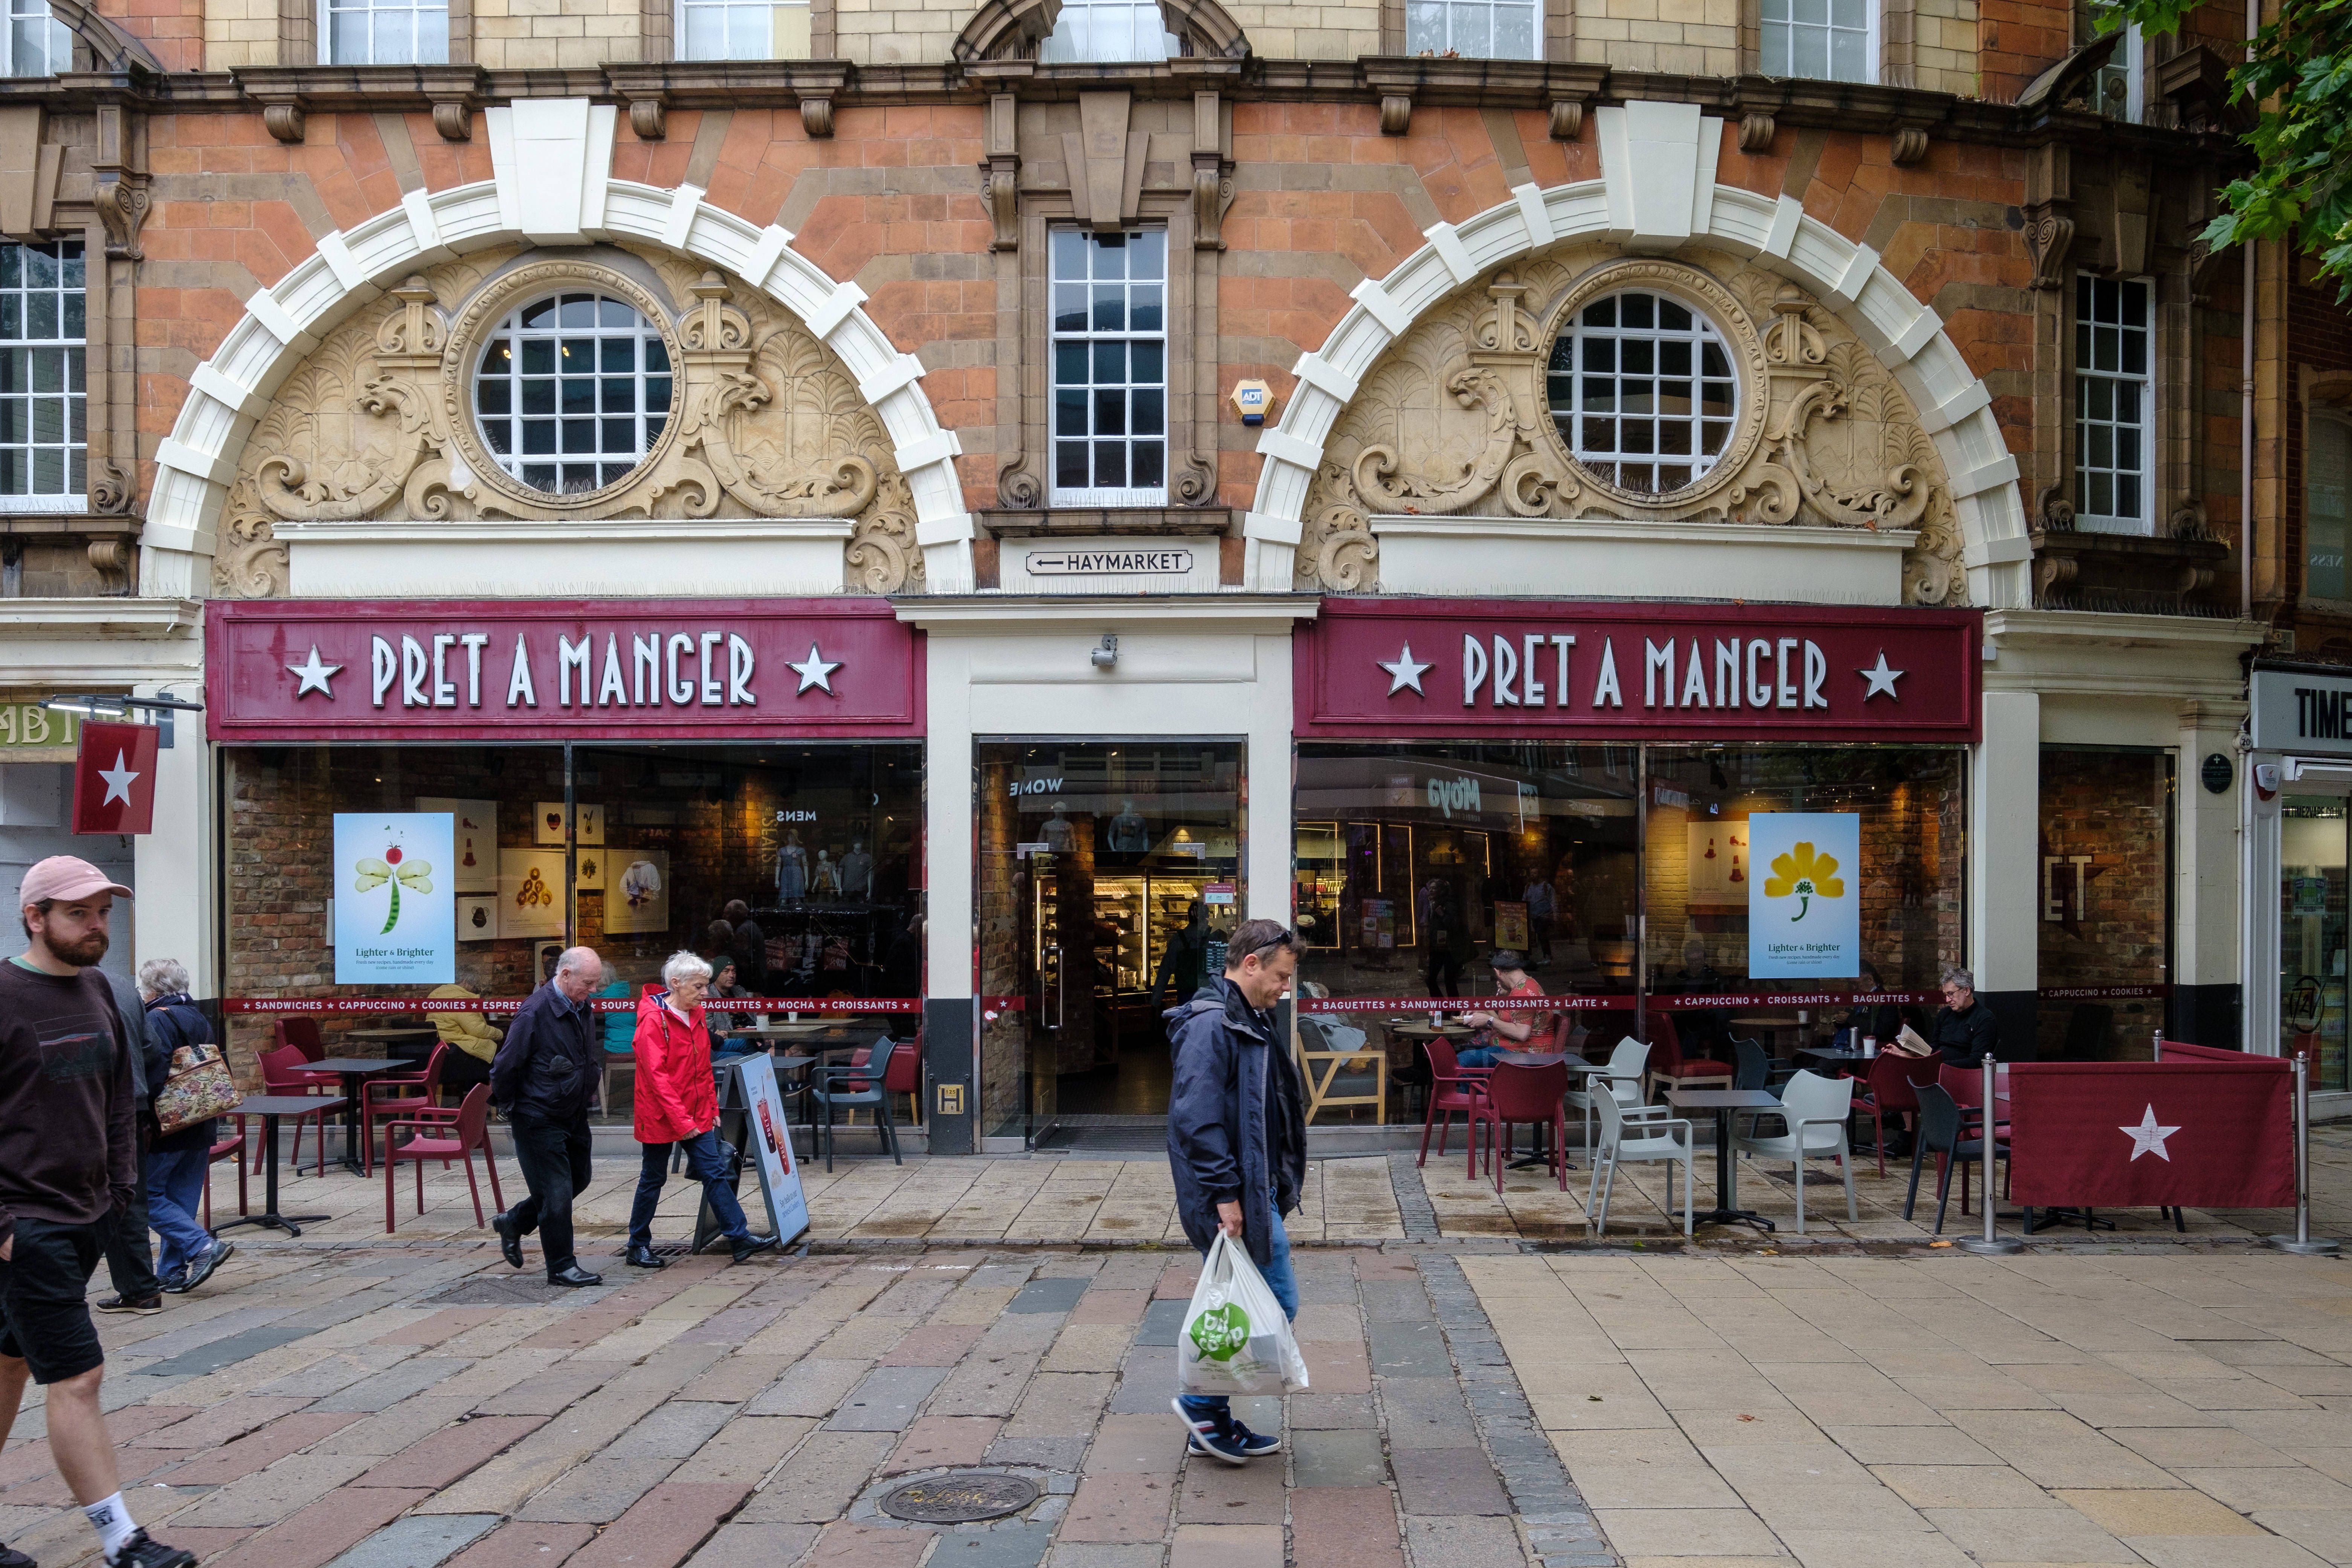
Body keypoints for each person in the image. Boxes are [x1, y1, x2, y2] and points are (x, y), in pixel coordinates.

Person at [1, 856, 199, 1567]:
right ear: (35, 916)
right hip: (28, 1220)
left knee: (9, 1365)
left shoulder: (102, 991)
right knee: (78, 1375)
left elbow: (122, 1097)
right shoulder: (4, 994)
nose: (97, 925)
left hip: (90, 1212)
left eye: (104, 913)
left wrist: (119, 1190)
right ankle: (124, 1541)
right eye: (79, 913)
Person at [1165, 918, 1305, 1467]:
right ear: (1250, 964)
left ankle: (1210, 1415)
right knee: (1274, 1301)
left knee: (1242, 1306)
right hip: (1233, 1192)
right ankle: (1201, 1406)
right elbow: (1196, 1119)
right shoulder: (1212, 1024)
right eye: (1281, 976)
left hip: (1251, 1186)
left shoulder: (1246, 1016)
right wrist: (1226, 1194)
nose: (1285, 987)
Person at [624, 951, 779, 1270]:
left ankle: (739, 1237)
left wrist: (710, 1105)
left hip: (693, 1110)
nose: (705, 992)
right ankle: (637, 1244)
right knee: (653, 1178)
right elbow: (657, 1079)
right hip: (661, 1113)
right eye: (698, 986)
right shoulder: (653, 1020)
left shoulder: (694, 1013)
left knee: (715, 1171)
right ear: (676, 983)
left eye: (706, 985)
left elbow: (702, 1066)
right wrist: (684, 1121)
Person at [490, 946, 607, 1287]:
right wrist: (510, 1104)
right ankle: (561, 1266)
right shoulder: (535, 1011)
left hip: (572, 1110)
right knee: (556, 1192)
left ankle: (514, 1221)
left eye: (596, 983)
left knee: (579, 1178)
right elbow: (505, 1066)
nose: (594, 990)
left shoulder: (581, 1005)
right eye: (588, 983)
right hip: (538, 1114)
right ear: (565, 974)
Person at [135, 960, 233, 1296]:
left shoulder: (156, 1018)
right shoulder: (197, 1016)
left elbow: (154, 1071)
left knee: (143, 1196)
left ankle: (202, 1246)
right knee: (181, 1199)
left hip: (168, 1125)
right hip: (201, 1120)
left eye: (143, 985)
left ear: (153, 988)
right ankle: (172, 1272)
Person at [92, 958, 163, 1318]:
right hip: (130, 1102)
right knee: (129, 1196)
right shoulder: (123, 986)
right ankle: (141, 1289)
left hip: (87, 1105)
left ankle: (52, 1295)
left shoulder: (60, 987)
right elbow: (151, 1046)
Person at [1455, 951, 1551, 1068]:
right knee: (1466, 1054)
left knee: (1461, 1060)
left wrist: (1489, 1020)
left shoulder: (1523, 991)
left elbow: (1522, 1033)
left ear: (1498, 972)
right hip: (1515, 1052)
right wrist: (1484, 1014)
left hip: (1524, 1057)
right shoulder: (1524, 986)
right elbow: (1510, 1024)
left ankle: (1481, 1082)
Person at [427, 981, 502, 1095]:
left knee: (484, 1051)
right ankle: (490, 1099)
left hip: (441, 1049)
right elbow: (478, 1030)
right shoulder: (460, 999)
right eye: (474, 984)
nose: (475, 988)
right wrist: (501, 1034)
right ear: (465, 983)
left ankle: (473, 1097)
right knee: (498, 1054)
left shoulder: (437, 994)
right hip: (456, 1052)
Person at [1921, 965, 2001, 1066]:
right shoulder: (1944, 1014)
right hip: (1937, 1066)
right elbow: (1933, 1048)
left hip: (1961, 1072)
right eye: (1946, 995)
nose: (1948, 1000)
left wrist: (1941, 1066)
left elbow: (1977, 1060)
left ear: (1966, 991)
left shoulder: (1985, 1019)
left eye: (1951, 994)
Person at [724, 899, 767, 995]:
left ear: (736, 914)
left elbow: (743, 960)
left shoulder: (742, 931)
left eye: (727, 914)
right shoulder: (751, 925)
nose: (724, 917)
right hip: (757, 979)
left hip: (749, 984)